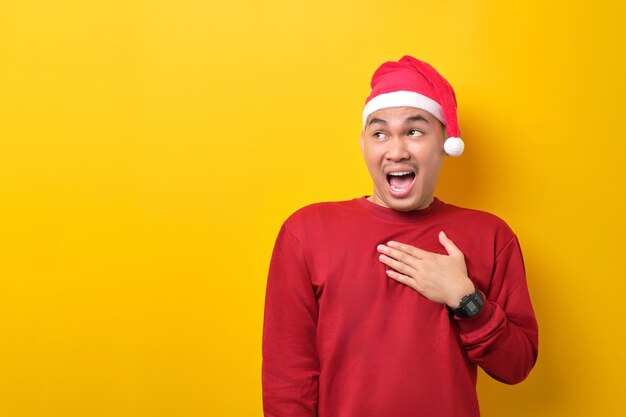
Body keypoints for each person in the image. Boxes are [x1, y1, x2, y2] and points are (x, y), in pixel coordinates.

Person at [262, 55, 538, 417]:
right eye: (380, 133)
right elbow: (288, 378)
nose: (396, 151)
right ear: (363, 145)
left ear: (444, 142)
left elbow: (516, 366)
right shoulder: (306, 231)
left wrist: (466, 299)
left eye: (414, 131)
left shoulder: (490, 236)